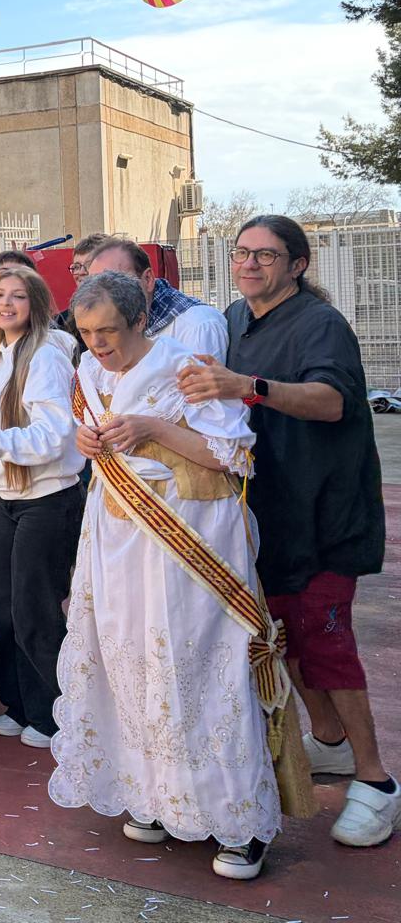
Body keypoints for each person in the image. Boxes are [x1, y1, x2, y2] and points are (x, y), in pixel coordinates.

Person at [53, 271, 280, 880]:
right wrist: (86, 439)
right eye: (86, 332)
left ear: (138, 323)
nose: (97, 344)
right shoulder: (86, 373)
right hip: (115, 535)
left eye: (108, 332)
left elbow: (230, 455)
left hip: (187, 539)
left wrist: (153, 428)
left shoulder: (189, 366)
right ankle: (155, 796)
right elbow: (89, 446)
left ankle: (239, 823)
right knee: (130, 662)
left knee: (200, 665)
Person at [179, 215, 397, 848]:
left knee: (328, 648)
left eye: (265, 256)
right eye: (241, 253)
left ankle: (378, 781)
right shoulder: (233, 319)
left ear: (297, 265)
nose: (249, 264)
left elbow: (332, 401)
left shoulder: (320, 324)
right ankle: (328, 740)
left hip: (325, 516)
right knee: (281, 641)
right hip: (264, 515)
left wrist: (248, 387)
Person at [0, 264, 83, 748]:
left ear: (38, 304)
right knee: (3, 610)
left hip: (46, 499)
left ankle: (59, 715)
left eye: (19, 296)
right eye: (0, 294)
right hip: (4, 497)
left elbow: (51, 437)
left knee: (36, 612)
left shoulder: (46, 355)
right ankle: (22, 704)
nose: (7, 303)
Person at [87, 237, 227, 362]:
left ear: (148, 279)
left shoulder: (197, 326)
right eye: (94, 286)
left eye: (116, 282)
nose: (104, 296)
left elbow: (203, 389)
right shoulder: (108, 331)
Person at [50, 233, 109, 336]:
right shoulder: (63, 321)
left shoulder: (126, 313)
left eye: (89, 265)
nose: (81, 272)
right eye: (76, 267)